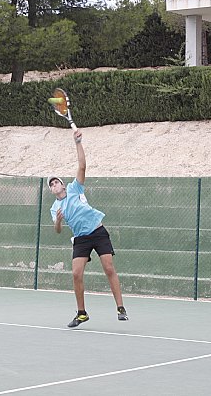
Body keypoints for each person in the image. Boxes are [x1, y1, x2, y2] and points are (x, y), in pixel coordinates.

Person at [49, 129, 128, 328]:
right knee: (76, 274)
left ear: (63, 185)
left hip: (98, 232)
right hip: (81, 238)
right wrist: (58, 221)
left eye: (56, 181)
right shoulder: (55, 207)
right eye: (51, 184)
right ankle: (82, 313)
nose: (54, 184)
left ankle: (120, 308)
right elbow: (57, 230)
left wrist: (78, 143)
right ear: (51, 190)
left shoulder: (74, 188)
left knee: (108, 268)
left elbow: (82, 165)